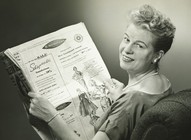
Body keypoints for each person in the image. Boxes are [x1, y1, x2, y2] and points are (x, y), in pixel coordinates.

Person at [28, 4, 176, 140]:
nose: (127, 49)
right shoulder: (163, 83)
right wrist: (120, 98)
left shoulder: (130, 102)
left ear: (157, 55)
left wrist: (51, 116)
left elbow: (130, 108)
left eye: (139, 46)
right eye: (126, 39)